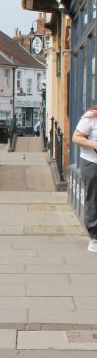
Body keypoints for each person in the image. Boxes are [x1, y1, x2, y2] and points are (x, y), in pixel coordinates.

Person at [72, 106, 97, 252]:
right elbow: (76, 137)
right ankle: (95, 237)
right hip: (91, 163)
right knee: (93, 198)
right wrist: (94, 143)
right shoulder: (91, 117)